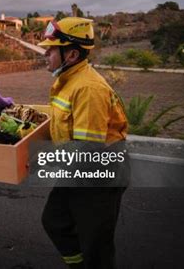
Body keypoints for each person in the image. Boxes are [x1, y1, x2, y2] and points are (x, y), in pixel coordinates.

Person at [37, 17, 129, 269]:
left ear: (72, 54)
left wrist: (40, 161)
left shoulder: (88, 89)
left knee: (95, 244)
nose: (45, 53)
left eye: (51, 48)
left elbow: (89, 149)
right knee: (54, 220)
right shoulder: (68, 80)